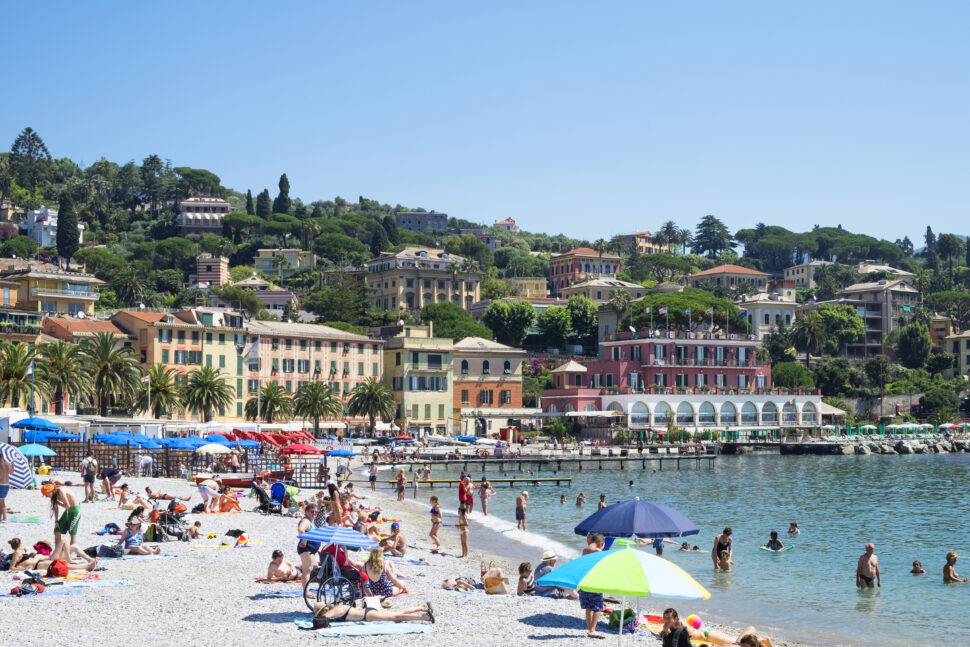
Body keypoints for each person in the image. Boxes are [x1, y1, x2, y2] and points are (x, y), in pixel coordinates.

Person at [310, 600, 433, 626]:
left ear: (324, 610)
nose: (321, 615)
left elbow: (322, 620)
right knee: (396, 613)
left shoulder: (334, 610)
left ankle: (424, 617)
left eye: (320, 613)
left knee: (396, 617)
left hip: (368, 616)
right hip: (368, 612)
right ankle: (421, 607)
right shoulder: (337, 607)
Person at [579, 533, 606, 639]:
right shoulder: (598, 551)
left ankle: (590, 629)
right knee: (598, 607)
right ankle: (592, 630)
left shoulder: (585, 550)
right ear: (601, 544)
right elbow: (600, 568)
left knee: (589, 607)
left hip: (585, 581)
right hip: (594, 582)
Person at [297, 503, 320, 588]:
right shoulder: (306, 521)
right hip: (307, 548)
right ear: (306, 512)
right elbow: (300, 529)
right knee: (307, 570)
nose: (314, 513)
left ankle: (306, 590)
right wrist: (304, 540)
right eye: (311, 511)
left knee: (308, 569)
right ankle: (306, 592)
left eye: (316, 512)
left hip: (311, 549)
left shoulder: (310, 521)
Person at [0, 453, 11, 523]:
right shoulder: (7, 464)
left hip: (1, 485)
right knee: (1, 502)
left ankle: (5, 518)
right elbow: (11, 472)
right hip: (6, 484)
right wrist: (12, 465)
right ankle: (1, 517)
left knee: (2, 502)